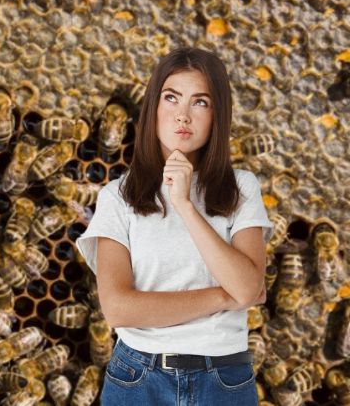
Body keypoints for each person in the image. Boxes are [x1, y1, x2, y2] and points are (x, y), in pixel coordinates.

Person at [75, 47, 274, 405]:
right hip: (138, 378)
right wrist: (223, 297)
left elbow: (247, 288)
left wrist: (184, 205)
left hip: (224, 379)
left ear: (217, 115)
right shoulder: (116, 196)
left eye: (200, 102)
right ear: (153, 108)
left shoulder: (242, 187)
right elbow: (119, 308)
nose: (183, 115)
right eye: (171, 98)